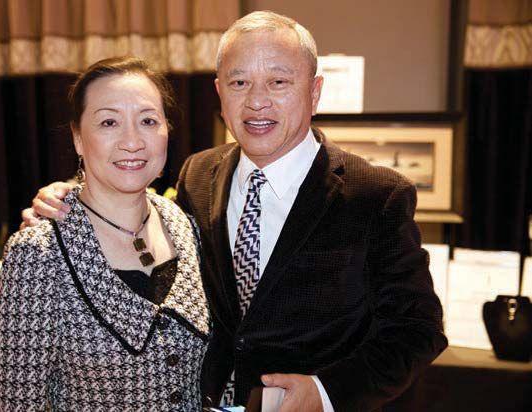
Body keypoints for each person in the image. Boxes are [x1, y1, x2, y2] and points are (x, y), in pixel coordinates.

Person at [23, 11, 447, 412]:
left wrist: (326, 392)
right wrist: (73, 199)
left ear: (314, 92)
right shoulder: (199, 175)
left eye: (278, 81)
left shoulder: (375, 196)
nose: (257, 102)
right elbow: (141, 222)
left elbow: (418, 329)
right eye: (239, 82)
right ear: (219, 93)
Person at [0, 56, 211, 411]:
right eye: (109, 122)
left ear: (166, 131)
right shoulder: (38, 252)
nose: (132, 141)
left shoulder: (184, 225)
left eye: (148, 121)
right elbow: (18, 404)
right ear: (78, 138)